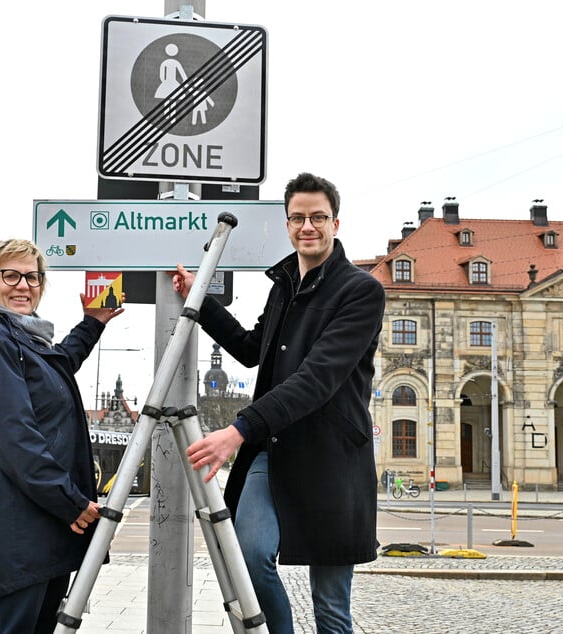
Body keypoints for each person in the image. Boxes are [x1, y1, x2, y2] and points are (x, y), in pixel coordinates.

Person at [172, 172, 386, 633]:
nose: (308, 226)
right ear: (287, 224)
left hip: (332, 459)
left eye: (318, 218)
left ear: (335, 223)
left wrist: (237, 430)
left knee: (330, 606)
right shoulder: (283, 285)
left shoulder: (361, 290)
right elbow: (252, 348)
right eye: (298, 218)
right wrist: (200, 299)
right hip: (274, 447)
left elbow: (317, 379)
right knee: (247, 556)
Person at [0, 239, 124, 634]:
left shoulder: (21, 337)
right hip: (16, 524)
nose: (24, 286)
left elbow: (55, 368)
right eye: (11, 276)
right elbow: (15, 435)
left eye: (33, 277)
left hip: (39, 519)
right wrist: (69, 501)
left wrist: (92, 322)